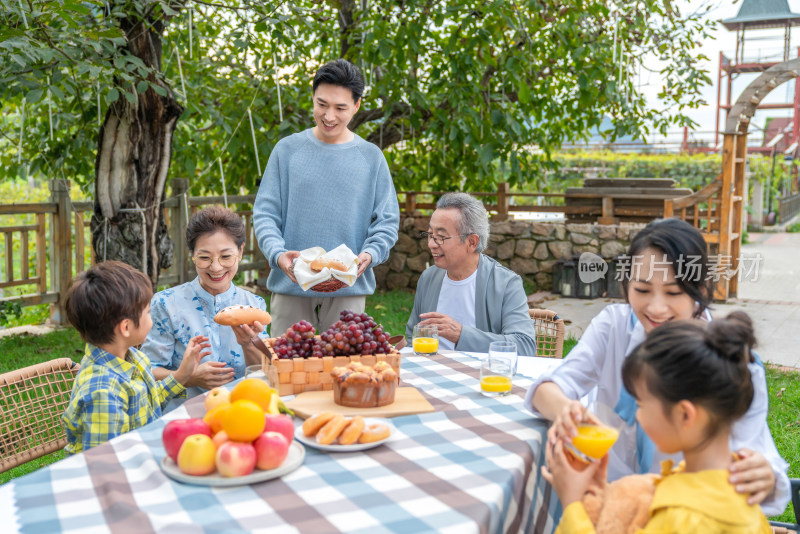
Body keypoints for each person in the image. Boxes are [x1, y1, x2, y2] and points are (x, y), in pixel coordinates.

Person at [526, 218, 790, 515]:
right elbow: (547, 388)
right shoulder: (613, 325)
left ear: (701, 288)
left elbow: (760, 458)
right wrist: (566, 411)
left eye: (674, 293)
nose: (655, 308)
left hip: (684, 513)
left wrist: (764, 477)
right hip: (608, 499)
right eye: (641, 289)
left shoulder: (725, 356)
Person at [543, 312, 772, 533]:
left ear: (685, 415)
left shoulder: (685, 519)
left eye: (641, 404)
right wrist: (601, 491)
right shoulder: (723, 485)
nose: (637, 417)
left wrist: (572, 503)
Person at [253, 59, 399, 336]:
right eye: (322, 104)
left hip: (348, 289)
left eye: (340, 108)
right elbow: (265, 214)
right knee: (288, 373)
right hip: (290, 286)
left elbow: (387, 221)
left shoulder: (371, 158)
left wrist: (371, 254)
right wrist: (278, 254)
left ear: (356, 106)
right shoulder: (287, 150)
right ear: (313, 98)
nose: (329, 116)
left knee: (345, 374)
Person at [62, 261, 210, 454]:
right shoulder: (103, 392)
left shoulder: (133, 356)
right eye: (148, 313)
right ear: (126, 327)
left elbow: (147, 401)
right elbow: (103, 461)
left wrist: (182, 374)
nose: (152, 319)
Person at [141, 206, 268, 411]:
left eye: (226, 256)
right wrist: (189, 377)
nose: (216, 267)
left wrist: (248, 343)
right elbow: (148, 372)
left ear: (240, 251)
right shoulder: (165, 304)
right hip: (182, 414)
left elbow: (263, 373)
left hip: (243, 411)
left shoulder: (255, 306)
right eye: (205, 257)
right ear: (192, 254)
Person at [405, 193, 537, 355]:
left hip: (482, 376)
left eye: (440, 237)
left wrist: (461, 335)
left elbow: (525, 347)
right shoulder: (428, 278)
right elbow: (413, 336)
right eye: (430, 235)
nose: (431, 244)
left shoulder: (505, 283)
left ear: (472, 242)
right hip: (433, 373)